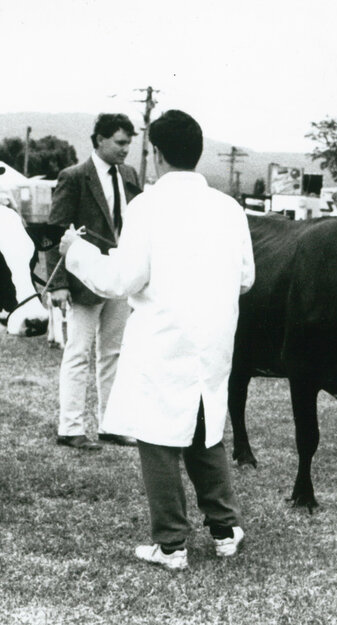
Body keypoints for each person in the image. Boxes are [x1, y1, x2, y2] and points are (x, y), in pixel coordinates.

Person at [58, 109, 254, 569]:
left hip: (164, 333)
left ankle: (171, 544)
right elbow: (246, 277)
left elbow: (122, 279)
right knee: (205, 428)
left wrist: (77, 251)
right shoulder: (230, 208)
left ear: (157, 154)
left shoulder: (146, 205)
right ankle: (225, 528)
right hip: (213, 336)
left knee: (159, 435)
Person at [45, 113, 142, 450]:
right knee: (78, 353)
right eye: (120, 142)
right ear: (99, 140)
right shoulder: (73, 177)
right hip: (84, 279)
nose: (126, 149)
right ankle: (70, 428)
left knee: (114, 353)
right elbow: (56, 230)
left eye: (129, 142)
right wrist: (57, 283)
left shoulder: (129, 175)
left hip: (120, 276)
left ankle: (111, 424)